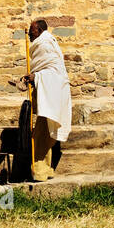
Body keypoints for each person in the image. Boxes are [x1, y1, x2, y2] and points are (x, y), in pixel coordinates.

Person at [18, 19, 71, 181]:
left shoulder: (45, 44)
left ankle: (40, 172)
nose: (29, 33)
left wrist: (36, 76)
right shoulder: (44, 45)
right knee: (45, 132)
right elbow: (47, 69)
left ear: (40, 30)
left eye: (32, 30)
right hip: (47, 92)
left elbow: (54, 73)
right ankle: (46, 170)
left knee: (42, 134)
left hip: (52, 94)